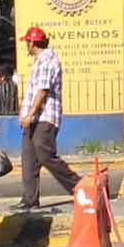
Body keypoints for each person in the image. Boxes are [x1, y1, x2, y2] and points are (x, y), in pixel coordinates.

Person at [16, 25, 82, 214]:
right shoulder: (39, 61)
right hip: (33, 118)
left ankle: (78, 186)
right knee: (29, 157)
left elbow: (43, 90)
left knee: (45, 154)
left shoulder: (47, 61)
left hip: (44, 117)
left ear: (32, 43)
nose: (25, 46)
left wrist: (30, 114)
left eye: (27, 42)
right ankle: (29, 199)